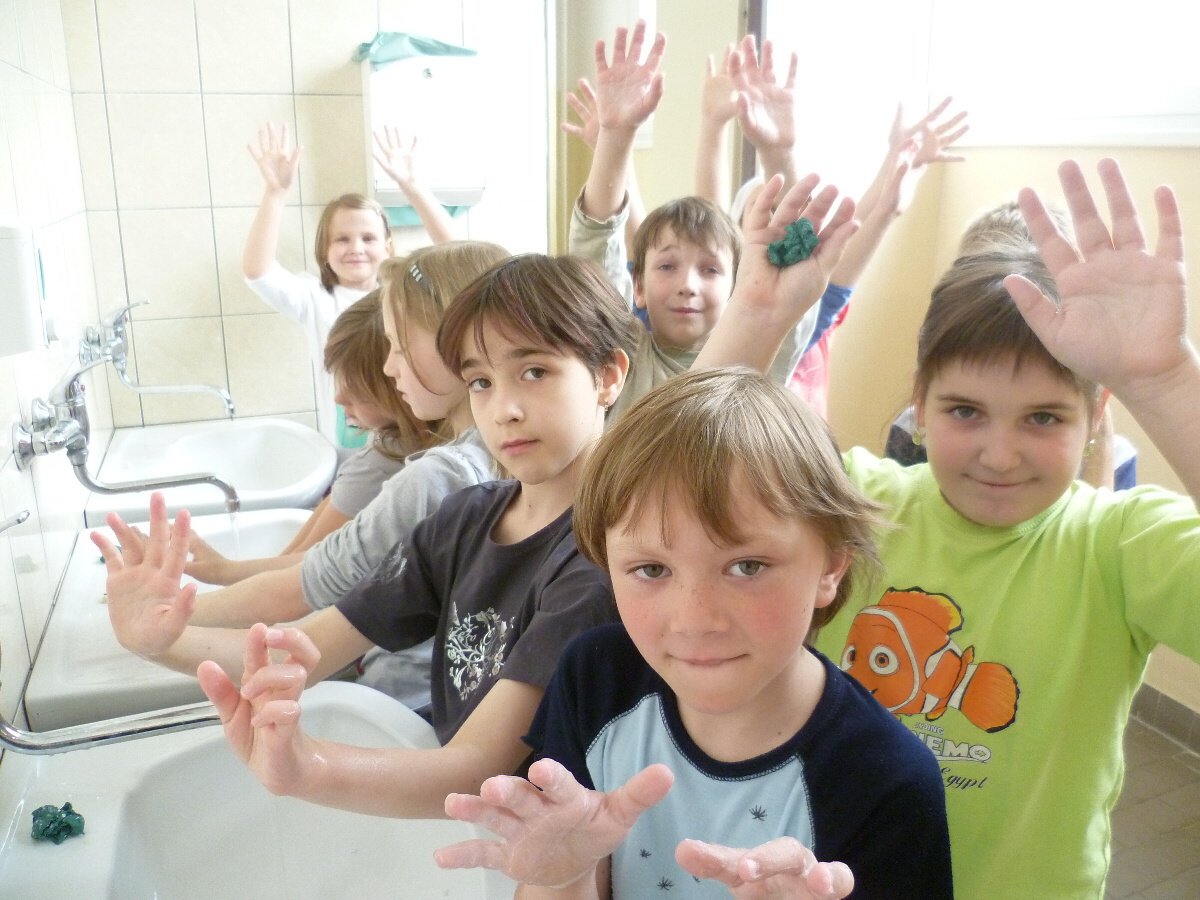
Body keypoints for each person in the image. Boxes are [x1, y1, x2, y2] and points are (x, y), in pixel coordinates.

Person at [721, 155, 1200, 897]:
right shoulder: (859, 503)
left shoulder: (1120, 545)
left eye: (1043, 418)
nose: (999, 455)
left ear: (1095, 412)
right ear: (920, 401)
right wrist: (756, 315)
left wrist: (1166, 381)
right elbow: (667, 483)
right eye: (965, 411)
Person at [96, 252, 640, 818]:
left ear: (607, 376)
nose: (504, 409)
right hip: (469, 825)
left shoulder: (601, 562)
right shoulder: (466, 519)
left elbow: (479, 766)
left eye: (534, 372)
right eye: (480, 381)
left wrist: (308, 767)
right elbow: (304, 649)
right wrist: (159, 641)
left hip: (539, 842)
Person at [434, 368, 954, 899]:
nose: (695, 619)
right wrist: (564, 878)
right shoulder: (594, 679)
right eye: (651, 570)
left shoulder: (888, 780)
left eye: (747, 566)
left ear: (831, 568)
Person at [108, 241, 506, 710]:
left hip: (409, 705)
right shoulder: (485, 463)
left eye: (399, 346)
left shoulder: (437, 478)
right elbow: (313, 588)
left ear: (453, 341)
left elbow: (297, 594)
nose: (388, 365)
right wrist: (181, 606)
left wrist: (163, 619)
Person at [569, 22, 836, 420]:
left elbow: (791, 271)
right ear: (637, 286)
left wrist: (779, 152)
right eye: (667, 266)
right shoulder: (624, 360)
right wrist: (615, 135)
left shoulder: (757, 359)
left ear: (738, 286)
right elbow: (595, 248)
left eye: (710, 269)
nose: (688, 285)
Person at [242, 122, 394, 460]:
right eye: (342, 239)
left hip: (405, 450)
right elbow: (257, 271)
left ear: (388, 247)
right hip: (346, 455)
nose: (356, 248)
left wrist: (411, 187)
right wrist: (275, 195)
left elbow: (464, 266)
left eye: (368, 238)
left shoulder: (403, 295)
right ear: (324, 250)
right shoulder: (315, 297)